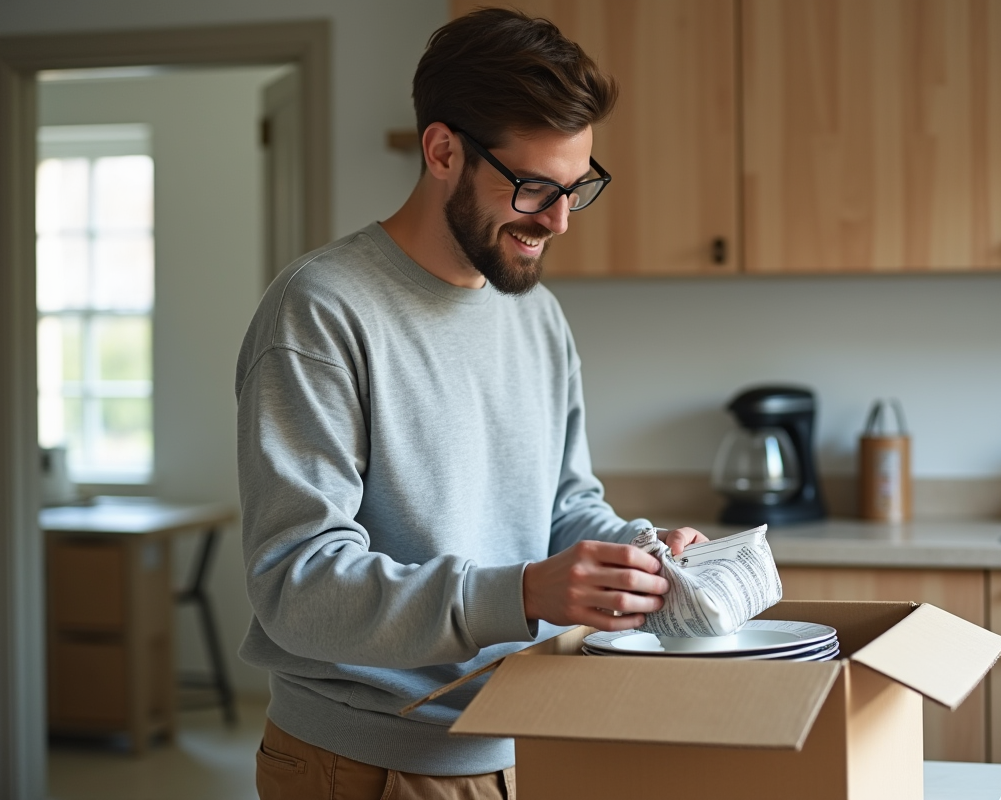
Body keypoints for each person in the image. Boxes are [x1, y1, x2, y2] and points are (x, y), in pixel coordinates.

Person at [235, 8, 708, 799]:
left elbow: (562, 504)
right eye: (532, 188)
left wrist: (635, 553)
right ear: (443, 150)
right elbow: (296, 585)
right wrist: (521, 593)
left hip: (514, 745)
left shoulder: (535, 314)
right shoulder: (320, 311)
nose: (557, 221)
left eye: (575, 188)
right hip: (360, 765)